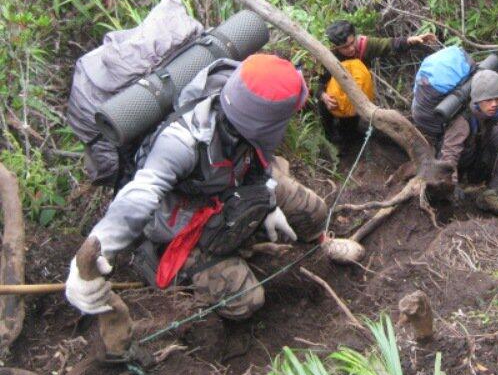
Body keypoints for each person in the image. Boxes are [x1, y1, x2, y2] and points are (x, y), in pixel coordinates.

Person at [65, 54, 326, 321]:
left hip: (229, 188)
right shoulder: (182, 142)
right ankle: (152, 260)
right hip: (182, 221)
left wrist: (268, 201)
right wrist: (97, 249)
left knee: (313, 211)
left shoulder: (243, 107)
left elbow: (259, 156)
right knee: (245, 301)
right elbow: (141, 194)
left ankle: (320, 245)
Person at [412, 49, 498, 215]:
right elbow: (450, 157)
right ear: (476, 100)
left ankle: (490, 195)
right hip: (466, 149)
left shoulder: (485, 92)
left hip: (481, 134)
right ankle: (468, 184)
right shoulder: (460, 124)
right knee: (461, 157)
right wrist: (452, 186)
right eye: (489, 101)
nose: (494, 104)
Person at [318, 19, 437, 143]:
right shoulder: (327, 55)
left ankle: (348, 141)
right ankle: (329, 137)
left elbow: (388, 45)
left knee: (350, 126)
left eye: (352, 43)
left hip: (356, 90)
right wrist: (323, 96)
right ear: (336, 47)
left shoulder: (363, 45)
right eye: (345, 47)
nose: (351, 49)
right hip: (333, 92)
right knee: (326, 115)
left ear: (355, 37)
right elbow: (318, 81)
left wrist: (410, 41)